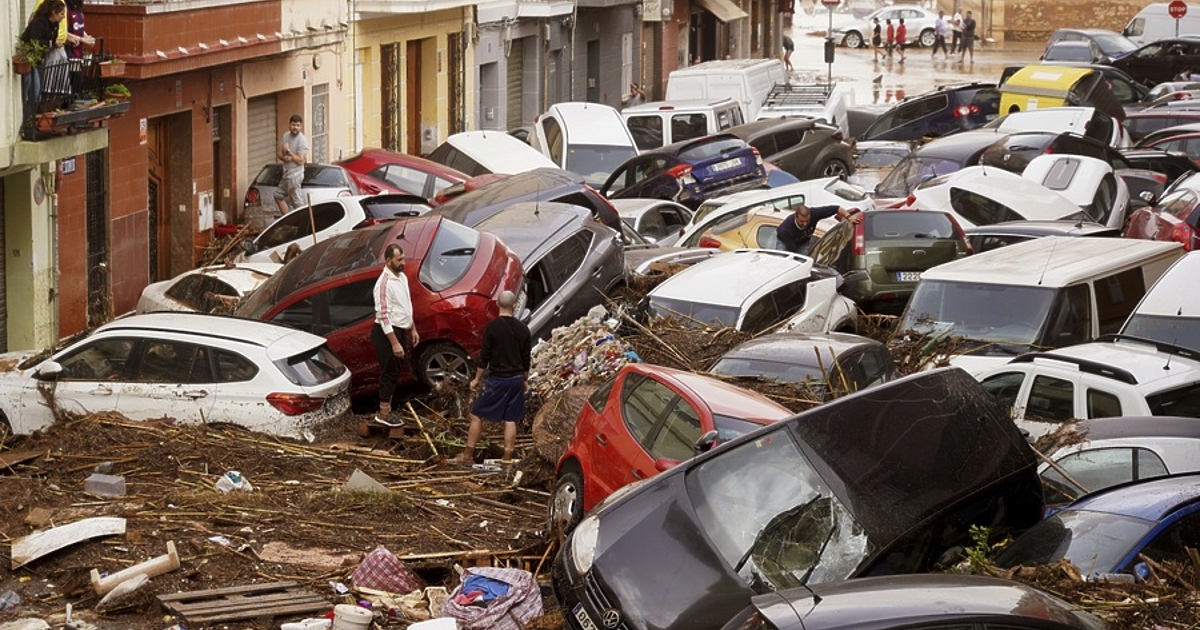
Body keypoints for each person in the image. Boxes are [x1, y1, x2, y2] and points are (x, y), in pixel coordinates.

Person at [454, 290, 532, 465]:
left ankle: (467, 455)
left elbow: (485, 357)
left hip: (498, 380)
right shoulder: (523, 329)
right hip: (516, 380)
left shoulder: (492, 328)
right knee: (510, 419)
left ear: (497, 304)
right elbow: (526, 358)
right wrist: (524, 380)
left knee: (475, 415)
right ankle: (506, 458)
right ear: (514, 306)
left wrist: (476, 379)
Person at [371, 244, 419, 427]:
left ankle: (388, 407)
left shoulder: (402, 277)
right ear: (388, 260)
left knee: (397, 368)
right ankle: (383, 414)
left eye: (404, 259)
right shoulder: (384, 284)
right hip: (387, 333)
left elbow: (406, 305)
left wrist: (412, 328)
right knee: (389, 371)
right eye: (399, 260)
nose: (403, 263)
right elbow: (383, 316)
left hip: (401, 329)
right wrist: (394, 343)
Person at [20, 0, 67, 136]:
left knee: (36, 93)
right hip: (30, 58)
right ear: (53, 13)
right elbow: (34, 40)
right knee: (31, 91)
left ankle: (29, 122)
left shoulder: (55, 25)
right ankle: (26, 124)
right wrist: (51, 43)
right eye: (62, 14)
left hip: (40, 60)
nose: (63, 17)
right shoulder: (39, 22)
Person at [775, 203, 862, 256]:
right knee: (784, 263)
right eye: (802, 221)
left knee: (804, 262)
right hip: (785, 243)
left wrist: (849, 217)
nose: (805, 224)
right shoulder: (786, 229)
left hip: (803, 241)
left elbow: (836, 208)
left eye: (807, 221)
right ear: (796, 217)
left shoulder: (815, 213)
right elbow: (792, 253)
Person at [275, 114, 309, 216]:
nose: (295, 127)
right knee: (277, 196)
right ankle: (288, 220)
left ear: (301, 126)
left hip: (295, 175)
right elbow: (279, 153)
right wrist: (284, 157)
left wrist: (289, 152)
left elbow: (301, 160)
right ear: (289, 124)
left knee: (297, 203)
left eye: (298, 125)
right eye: (293, 125)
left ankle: (302, 223)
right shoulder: (286, 136)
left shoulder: (302, 141)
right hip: (286, 174)